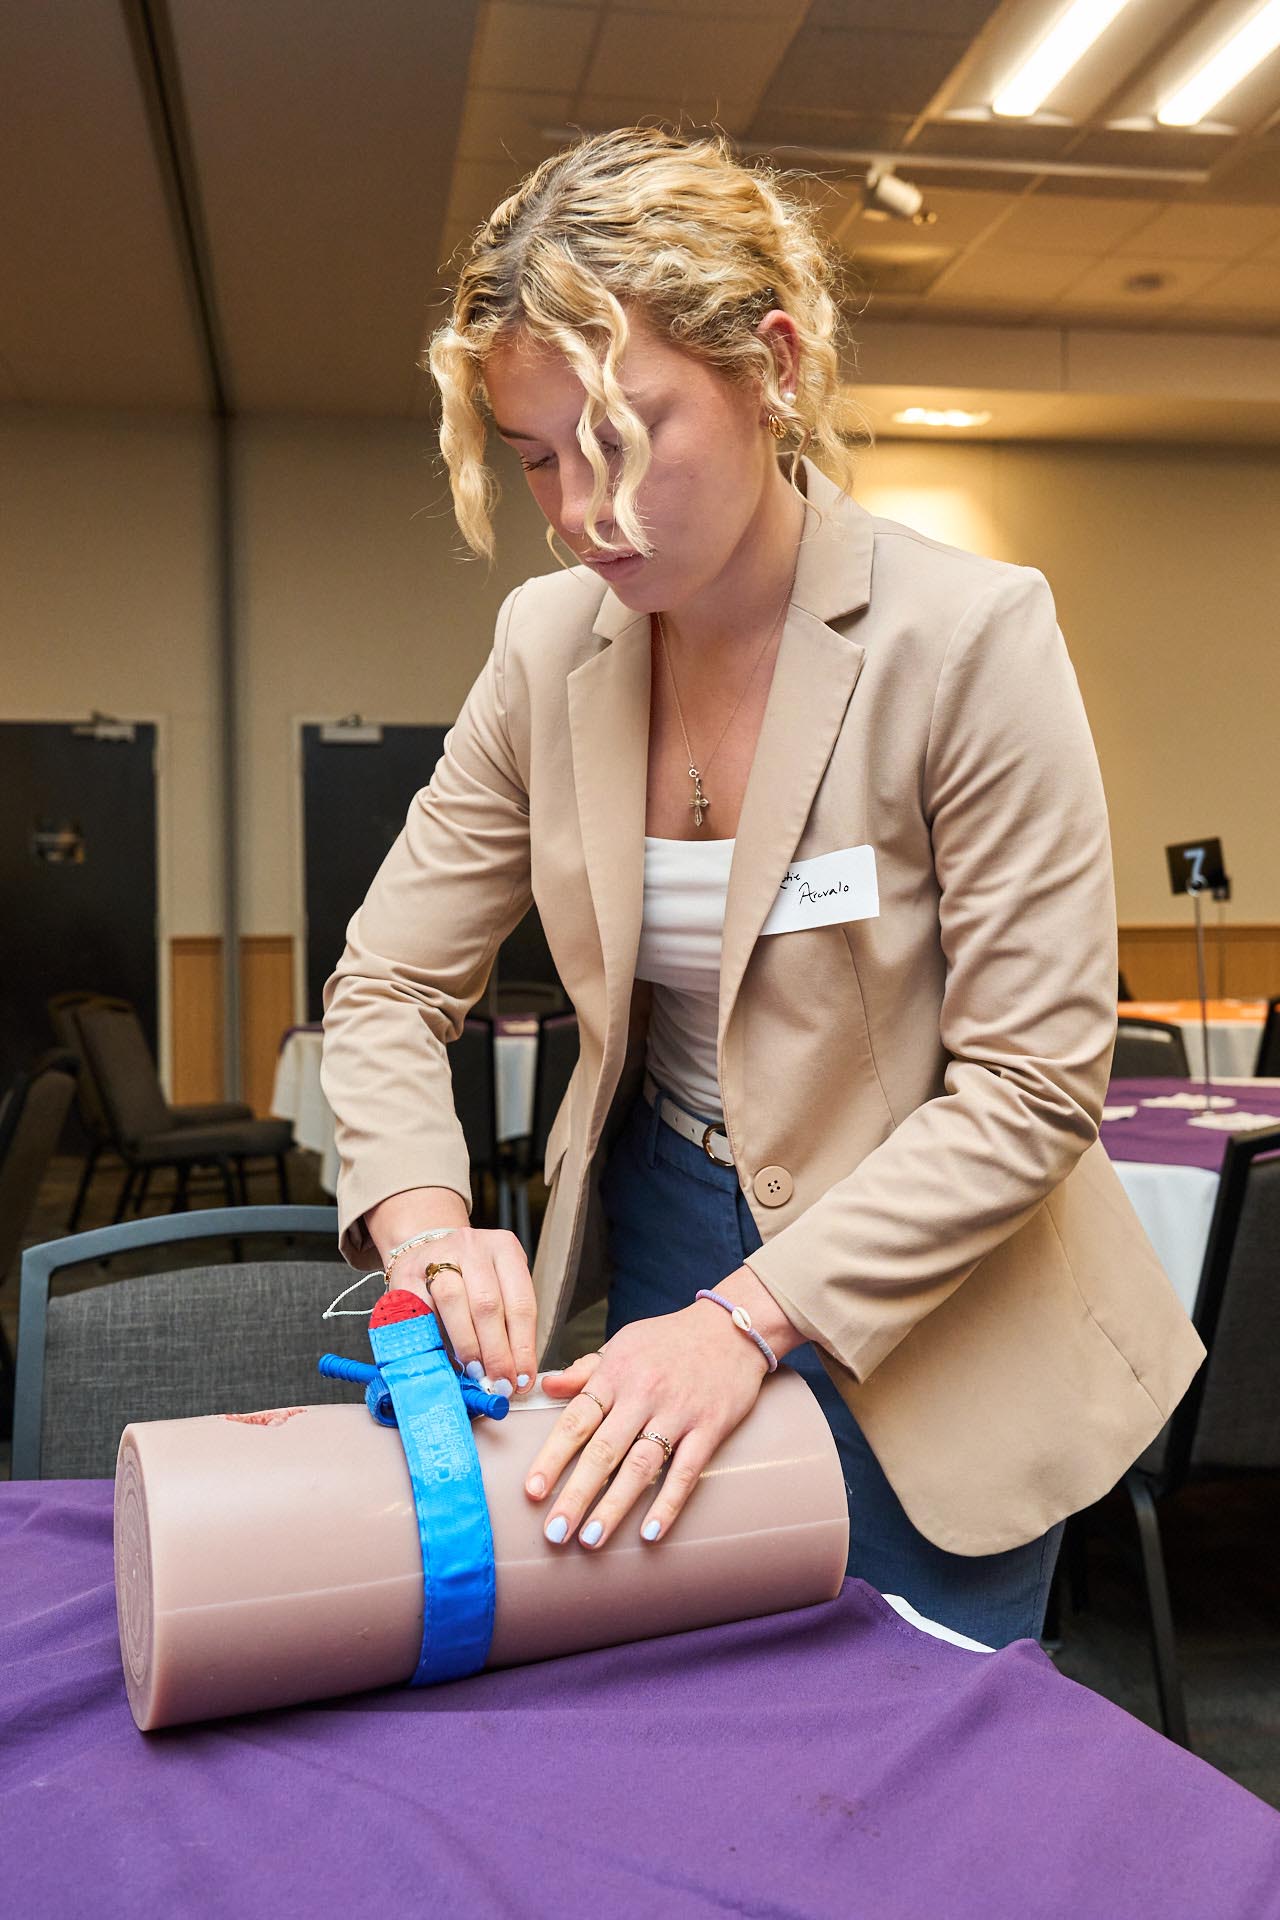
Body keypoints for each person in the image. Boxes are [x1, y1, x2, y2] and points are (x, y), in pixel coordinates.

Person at [321, 126, 1204, 1646]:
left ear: (772, 365)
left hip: (942, 1274)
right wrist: (424, 1219)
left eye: (624, 434)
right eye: (537, 458)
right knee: (687, 1718)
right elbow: (390, 983)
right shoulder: (546, 649)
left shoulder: (967, 638)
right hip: (668, 1212)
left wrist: (752, 1316)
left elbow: (1031, 1089)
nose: (583, 509)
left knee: (912, 1742)